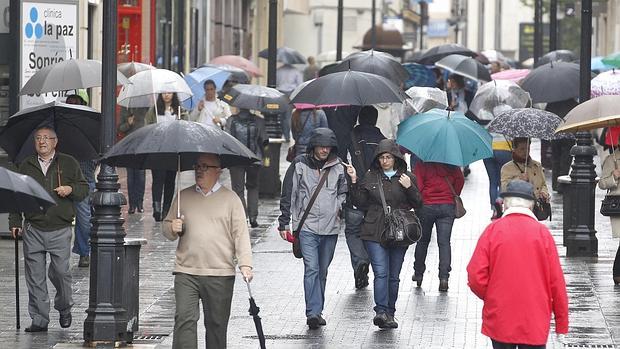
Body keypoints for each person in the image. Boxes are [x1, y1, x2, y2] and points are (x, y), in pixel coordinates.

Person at [163, 153, 253, 349]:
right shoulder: (183, 196)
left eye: (205, 167)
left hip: (219, 273)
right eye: (197, 166)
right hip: (186, 271)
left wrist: (245, 264)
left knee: (216, 326)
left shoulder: (231, 200)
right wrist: (172, 227)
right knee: (184, 321)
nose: (199, 171)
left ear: (218, 171)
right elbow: (166, 228)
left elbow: (241, 235)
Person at [467, 180, 569, 348]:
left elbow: (475, 274)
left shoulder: (493, 231)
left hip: (500, 316)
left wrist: (493, 295)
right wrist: (561, 323)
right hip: (534, 317)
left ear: (506, 204)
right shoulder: (543, 234)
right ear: (531, 206)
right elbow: (556, 282)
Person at [9, 126, 89, 332]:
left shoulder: (69, 163)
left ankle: (64, 307)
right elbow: (17, 195)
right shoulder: (26, 165)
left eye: (46, 138)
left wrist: (70, 189)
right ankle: (39, 318)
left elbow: (83, 190)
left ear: (55, 142)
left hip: (60, 228)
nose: (42, 142)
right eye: (38, 138)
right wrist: (15, 222)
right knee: (34, 276)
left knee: (61, 272)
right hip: (33, 227)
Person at [347, 139, 423, 329]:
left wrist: (410, 188)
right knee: (380, 272)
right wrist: (355, 181)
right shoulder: (371, 176)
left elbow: (419, 204)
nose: (385, 161)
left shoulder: (407, 177)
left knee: (393, 275)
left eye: (388, 157)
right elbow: (360, 203)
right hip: (374, 230)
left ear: (396, 158)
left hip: (399, 232)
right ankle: (380, 311)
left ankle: (390, 312)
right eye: (382, 157)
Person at [278, 128, 348, 329]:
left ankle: (318, 309)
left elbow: (343, 192)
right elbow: (288, 193)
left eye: (328, 146)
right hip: (306, 227)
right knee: (312, 269)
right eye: (321, 145)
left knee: (322, 271)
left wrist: (339, 207)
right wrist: (284, 221)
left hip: (330, 228)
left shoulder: (339, 167)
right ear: (314, 146)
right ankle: (313, 312)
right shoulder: (300, 164)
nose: (325, 149)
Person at [345, 106, 386, 289]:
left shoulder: (349, 138)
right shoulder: (384, 142)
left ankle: (360, 261)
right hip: (376, 199)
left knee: (353, 231)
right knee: (372, 233)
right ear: (375, 120)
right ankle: (371, 263)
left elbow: (343, 165)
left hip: (354, 194)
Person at [413, 160, 464, 292]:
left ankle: (418, 273)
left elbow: (418, 186)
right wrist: (451, 195)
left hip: (427, 206)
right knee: (444, 243)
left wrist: (424, 196)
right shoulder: (452, 162)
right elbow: (460, 181)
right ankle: (444, 278)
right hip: (447, 206)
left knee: (423, 241)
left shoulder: (422, 163)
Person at [64, 94, 97, 267]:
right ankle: (61, 252)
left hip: (84, 180)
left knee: (84, 220)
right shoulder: (62, 128)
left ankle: (84, 252)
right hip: (63, 179)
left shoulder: (90, 125)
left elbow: (98, 152)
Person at [145, 92, 188, 221]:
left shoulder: (180, 110)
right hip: (158, 149)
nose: (167, 95)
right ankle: (156, 208)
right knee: (158, 179)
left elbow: (186, 126)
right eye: (164, 93)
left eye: (169, 93)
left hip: (173, 149)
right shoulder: (155, 110)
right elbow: (147, 126)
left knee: (170, 180)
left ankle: (166, 209)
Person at [225, 108, 268, 228]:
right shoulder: (259, 121)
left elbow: (226, 140)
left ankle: (242, 217)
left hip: (236, 159)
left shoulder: (230, 120)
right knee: (253, 187)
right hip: (254, 159)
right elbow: (264, 140)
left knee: (238, 190)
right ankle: (253, 217)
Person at [500, 137, 550, 206]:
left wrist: (544, 193)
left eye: (528, 148)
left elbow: (543, 184)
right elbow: (505, 189)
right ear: (514, 149)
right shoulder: (507, 168)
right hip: (518, 206)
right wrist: (519, 181)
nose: (526, 152)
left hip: (536, 206)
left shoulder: (537, 166)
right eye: (522, 149)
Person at [118, 106, 148, 214]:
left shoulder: (144, 108)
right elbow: (120, 128)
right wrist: (128, 124)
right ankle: (132, 205)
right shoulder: (125, 109)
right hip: (129, 147)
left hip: (142, 146)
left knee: (140, 176)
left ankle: (140, 203)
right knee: (131, 177)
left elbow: (148, 123)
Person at [598, 148, 620, 285]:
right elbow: (602, 183)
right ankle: (617, 273)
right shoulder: (611, 159)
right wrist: (614, 177)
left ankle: (617, 273)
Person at [483, 132, 513, 219]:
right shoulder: (509, 123)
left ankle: (494, 210)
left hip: (488, 150)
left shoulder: (489, 122)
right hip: (504, 150)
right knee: (502, 181)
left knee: (493, 182)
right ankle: (499, 201)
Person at [276, 63, 303, 142]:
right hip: (290, 94)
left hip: (279, 94)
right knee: (288, 116)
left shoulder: (278, 70)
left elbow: (276, 82)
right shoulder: (296, 71)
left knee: (281, 115)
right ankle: (287, 136)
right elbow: (300, 84)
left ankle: (285, 134)